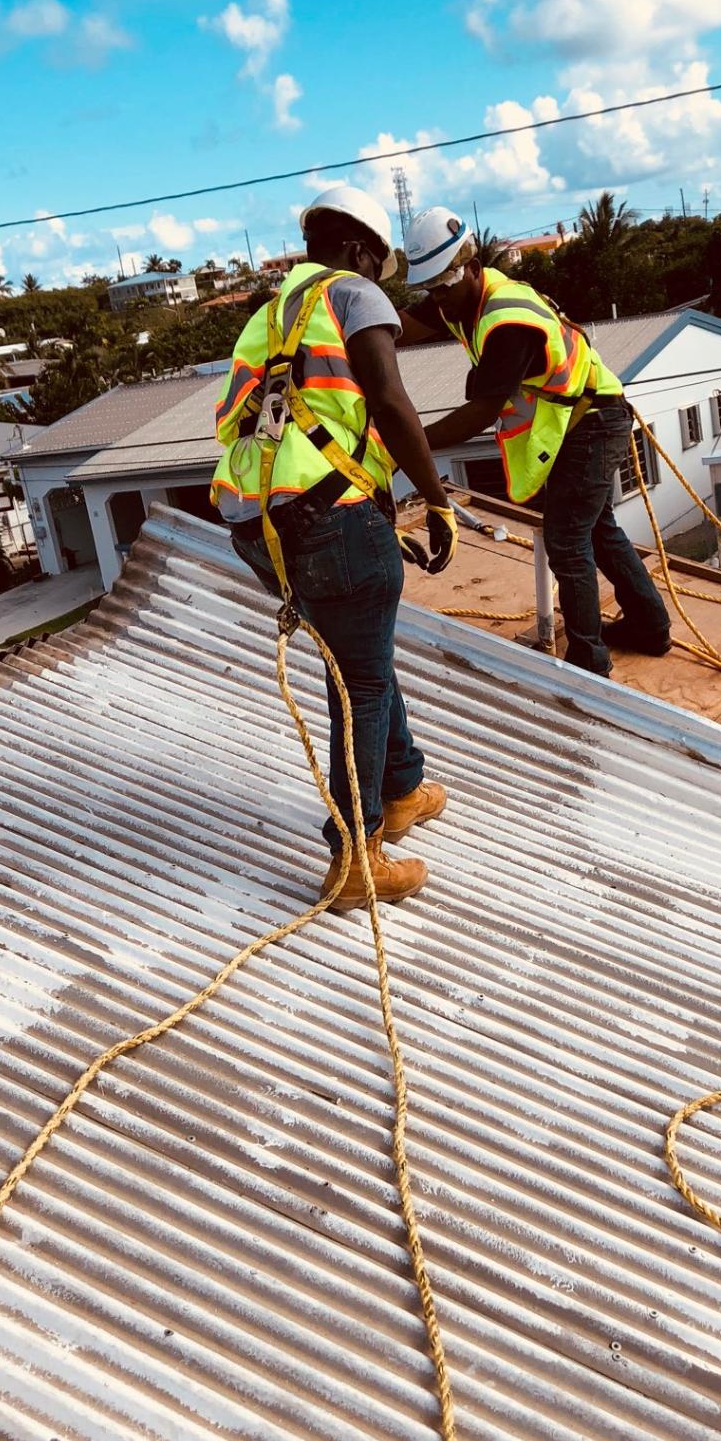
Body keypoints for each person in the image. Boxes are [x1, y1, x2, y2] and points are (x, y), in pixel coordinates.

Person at [211, 185, 460, 911]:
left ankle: (402, 786)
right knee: (359, 684)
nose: (381, 284)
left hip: (263, 526)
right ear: (359, 251)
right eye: (381, 266)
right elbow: (387, 397)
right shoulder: (351, 293)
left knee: (360, 658)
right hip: (333, 521)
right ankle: (356, 854)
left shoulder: (268, 317)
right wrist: (436, 499)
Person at [394, 206, 670, 678]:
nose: (437, 300)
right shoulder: (461, 300)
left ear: (473, 269)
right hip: (578, 419)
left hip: (593, 420)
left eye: (444, 286)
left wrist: (405, 444)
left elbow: (480, 412)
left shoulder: (507, 321)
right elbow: (400, 326)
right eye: (430, 289)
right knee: (599, 531)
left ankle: (588, 661)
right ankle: (650, 628)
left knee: (567, 541)